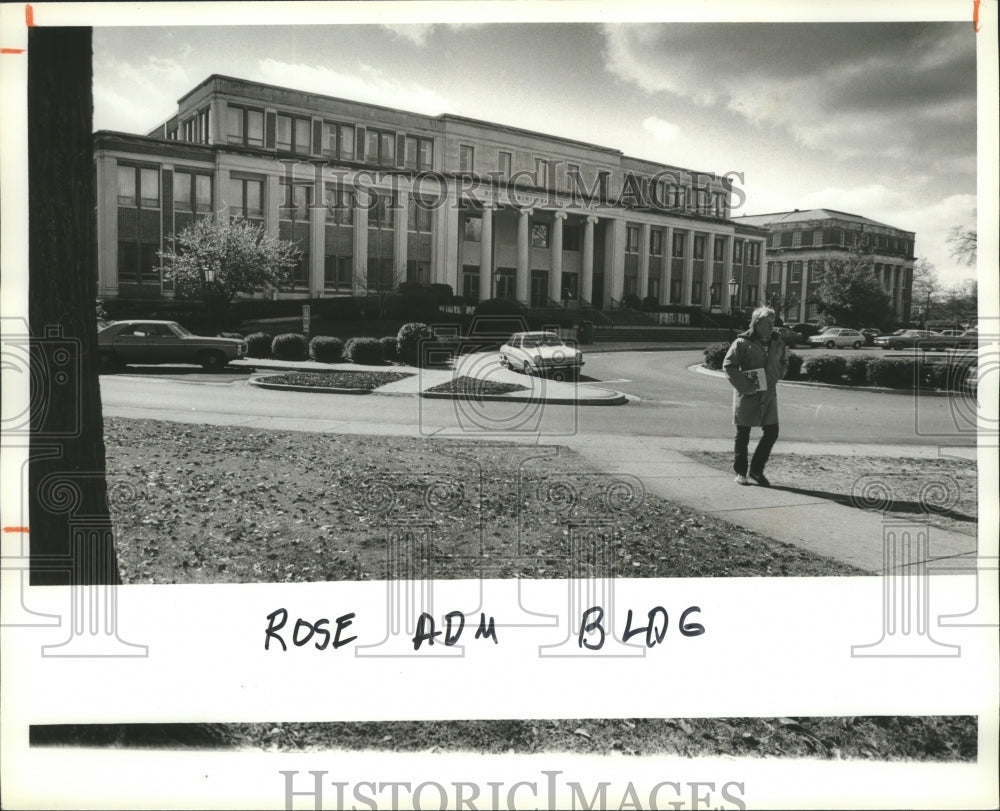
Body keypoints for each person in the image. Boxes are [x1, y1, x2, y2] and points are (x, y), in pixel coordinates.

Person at [722, 306, 788, 486]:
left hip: (769, 394)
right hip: (747, 393)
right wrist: (745, 386)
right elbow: (729, 366)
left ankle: (756, 471)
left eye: (773, 322)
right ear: (756, 323)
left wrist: (780, 372)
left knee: (772, 432)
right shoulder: (742, 342)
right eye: (767, 323)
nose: (771, 326)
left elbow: (784, 361)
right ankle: (741, 472)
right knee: (743, 433)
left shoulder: (778, 342)